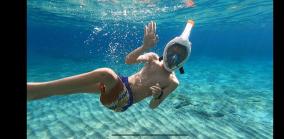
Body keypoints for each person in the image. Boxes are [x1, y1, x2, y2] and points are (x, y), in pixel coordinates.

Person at [27, 20, 193, 112]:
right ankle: (40, 93)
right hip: (120, 85)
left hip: (124, 100)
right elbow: (128, 60)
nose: (174, 57)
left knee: (105, 73)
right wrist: (144, 47)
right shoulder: (151, 58)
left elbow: (153, 106)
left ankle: (37, 89)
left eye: (180, 55)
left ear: (184, 60)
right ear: (167, 48)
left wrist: (157, 96)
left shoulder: (172, 82)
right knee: (77, 87)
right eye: (173, 51)